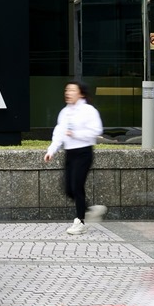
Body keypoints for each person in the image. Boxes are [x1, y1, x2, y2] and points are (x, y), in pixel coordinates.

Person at [44, 81, 107, 235]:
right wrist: (51, 150)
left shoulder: (88, 110)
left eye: (72, 90)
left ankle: (80, 221)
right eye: (67, 90)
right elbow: (59, 133)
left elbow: (96, 130)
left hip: (84, 152)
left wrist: (76, 134)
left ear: (81, 93)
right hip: (70, 153)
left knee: (77, 186)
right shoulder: (64, 112)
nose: (68, 93)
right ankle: (89, 209)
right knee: (68, 189)